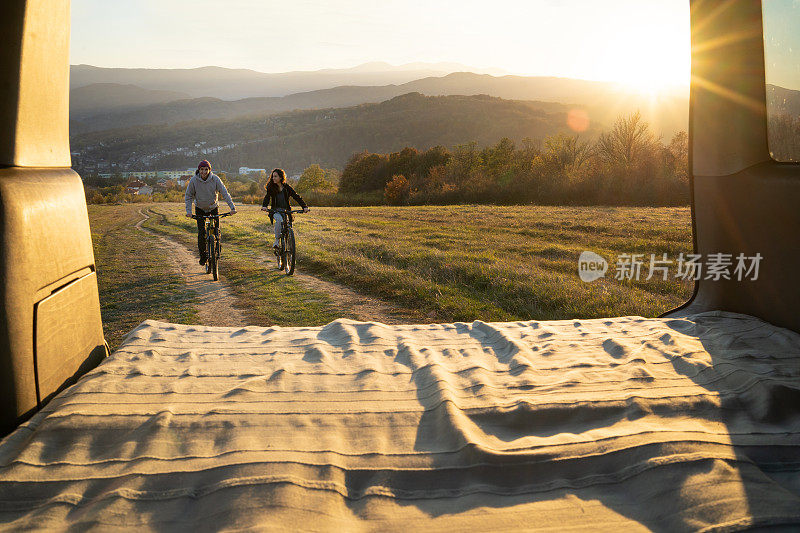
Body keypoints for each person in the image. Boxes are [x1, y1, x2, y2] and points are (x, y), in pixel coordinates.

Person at [185, 160, 236, 265]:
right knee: (201, 233)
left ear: (209, 170)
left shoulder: (215, 179)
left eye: (206, 169)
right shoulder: (194, 180)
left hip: (213, 208)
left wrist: (232, 208)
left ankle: (217, 251)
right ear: (198, 170)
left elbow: (225, 193)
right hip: (200, 208)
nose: (204, 172)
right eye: (202, 169)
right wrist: (189, 211)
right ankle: (203, 256)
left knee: (216, 231)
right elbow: (188, 196)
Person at [261, 168, 308, 253]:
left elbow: (296, 196)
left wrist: (304, 206)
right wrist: (264, 206)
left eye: (275, 176)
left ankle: (289, 246)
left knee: (288, 226)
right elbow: (267, 197)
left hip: (286, 211)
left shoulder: (286, 187)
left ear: (281, 177)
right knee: (279, 220)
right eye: (272, 176)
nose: (273, 178)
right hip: (276, 211)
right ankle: (276, 241)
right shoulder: (271, 188)